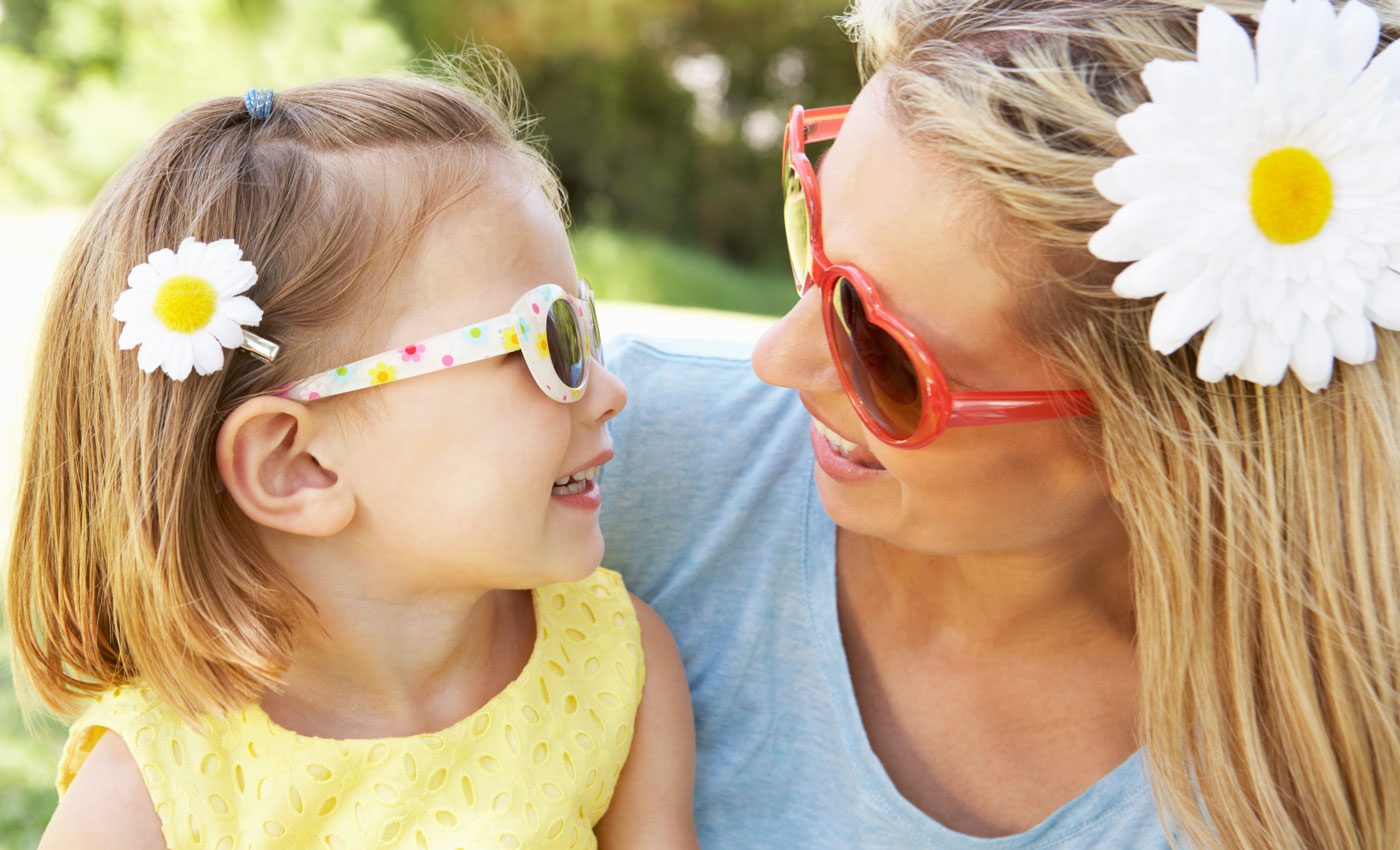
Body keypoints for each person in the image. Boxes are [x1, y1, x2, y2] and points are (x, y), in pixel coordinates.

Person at [599, 0, 1400, 848]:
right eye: (811, 231)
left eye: (879, 346)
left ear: (1157, 443)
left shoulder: (1308, 798)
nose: (777, 359)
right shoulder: (615, 467)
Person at [7, 58, 698, 850]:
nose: (609, 390)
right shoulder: (151, 791)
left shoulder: (610, 663)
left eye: (586, 327)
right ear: (297, 465)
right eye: (551, 343)